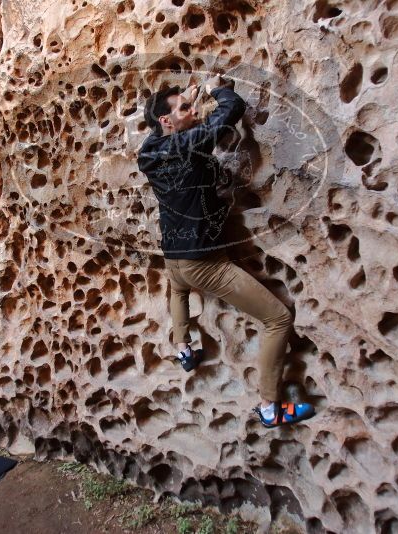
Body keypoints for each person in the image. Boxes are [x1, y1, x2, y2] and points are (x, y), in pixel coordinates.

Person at [136, 74, 315, 428]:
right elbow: (229, 110)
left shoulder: (150, 151)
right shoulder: (188, 144)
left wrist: (185, 102)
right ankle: (269, 408)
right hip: (204, 262)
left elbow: (174, 129)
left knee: (178, 289)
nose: (195, 110)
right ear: (166, 121)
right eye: (185, 108)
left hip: (174, 257)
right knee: (277, 318)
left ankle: (183, 348)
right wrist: (218, 89)